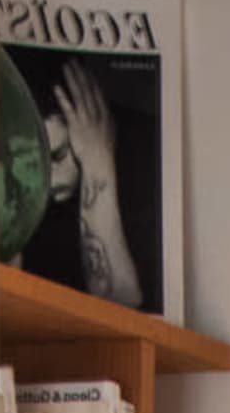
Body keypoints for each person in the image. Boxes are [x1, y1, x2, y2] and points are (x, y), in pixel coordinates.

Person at [23, 49, 150, 305]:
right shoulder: (35, 214)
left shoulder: (142, 161)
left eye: (58, 156)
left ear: (88, 127)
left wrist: (97, 162)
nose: (46, 181)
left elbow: (120, 303)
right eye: (32, 165)